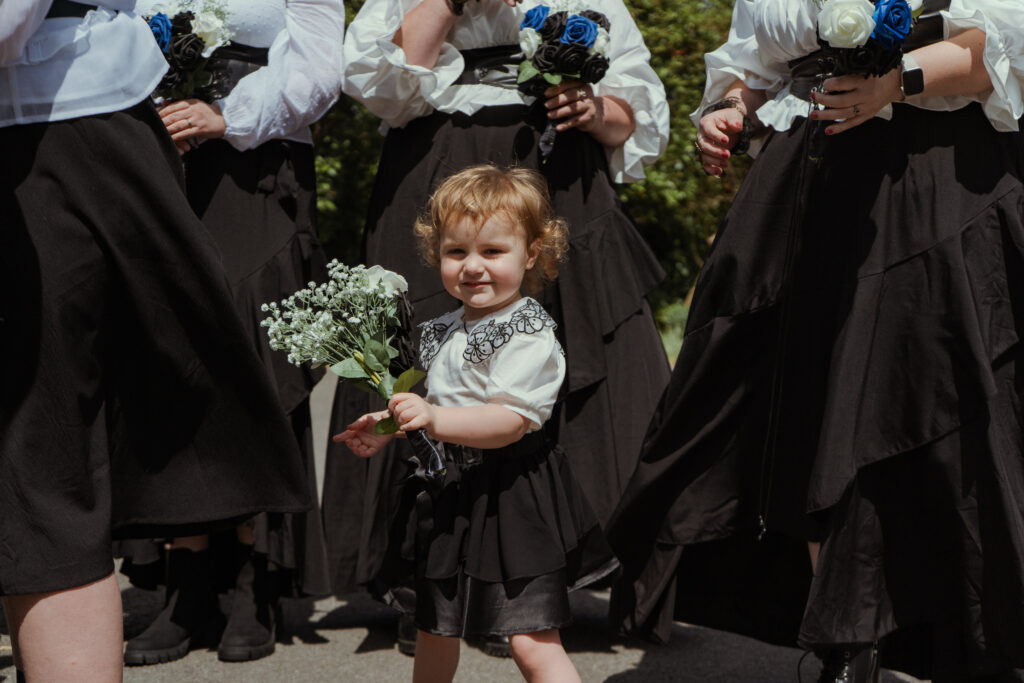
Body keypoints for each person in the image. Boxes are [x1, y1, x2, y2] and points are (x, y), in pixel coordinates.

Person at [607, 1, 1024, 681]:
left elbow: (1006, 41)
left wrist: (899, 80)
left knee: (944, 415)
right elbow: (757, 61)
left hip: (935, 180)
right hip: (811, 180)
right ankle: (845, 647)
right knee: (809, 411)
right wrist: (729, 110)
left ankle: (970, 643)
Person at [324, 0, 670, 655]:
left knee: (600, 357)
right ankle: (427, 584)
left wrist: (592, 108)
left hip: (556, 171)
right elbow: (384, 88)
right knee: (424, 355)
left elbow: (634, 106)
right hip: (435, 167)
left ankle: (594, 569)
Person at [0, 1, 312, 681]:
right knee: (46, 469)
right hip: (83, 123)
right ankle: (187, 580)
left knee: (49, 465)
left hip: (61, 124)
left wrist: (230, 116)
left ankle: (240, 583)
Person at [119, 0, 345, 665]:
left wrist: (227, 117)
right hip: (157, 163)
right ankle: (186, 578)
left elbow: (321, 69)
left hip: (256, 166)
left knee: (255, 360)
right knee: (169, 358)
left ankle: (255, 574)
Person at [334, 164, 617, 682]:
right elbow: (441, 402)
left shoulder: (526, 331)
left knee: (531, 637)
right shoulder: (446, 327)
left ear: (530, 254)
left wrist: (436, 417)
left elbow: (509, 421)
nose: (472, 267)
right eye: (456, 251)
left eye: (492, 251)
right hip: (450, 492)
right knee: (434, 629)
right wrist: (391, 422)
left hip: (511, 495)